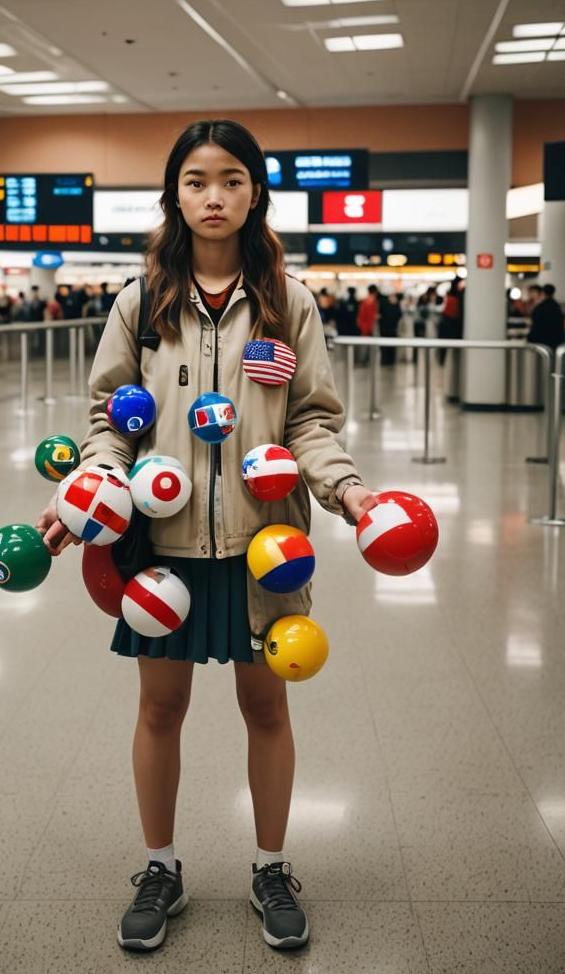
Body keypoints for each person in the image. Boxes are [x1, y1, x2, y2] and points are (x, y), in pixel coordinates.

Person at [34, 119, 377, 955]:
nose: (213, 196)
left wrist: (347, 489)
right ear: (174, 194)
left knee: (266, 705)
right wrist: (90, 490)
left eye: (230, 179)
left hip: (267, 544)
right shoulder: (139, 302)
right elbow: (107, 421)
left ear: (255, 192)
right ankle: (160, 869)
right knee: (161, 707)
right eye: (195, 180)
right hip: (161, 547)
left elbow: (312, 423)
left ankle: (270, 867)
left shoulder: (287, 303)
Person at [527, 283, 565, 352]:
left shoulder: (540, 307)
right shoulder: (557, 307)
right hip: (554, 340)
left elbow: (534, 323)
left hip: (540, 341)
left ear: (543, 293)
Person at [378, 290, 401, 365]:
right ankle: (387, 360)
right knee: (387, 346)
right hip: (387, 328)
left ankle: (389, 360)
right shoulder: (384, 303)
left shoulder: (393, 304)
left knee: (389, 346)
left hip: (389, 328)